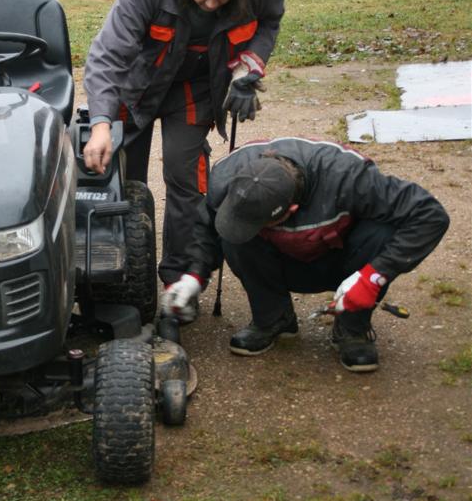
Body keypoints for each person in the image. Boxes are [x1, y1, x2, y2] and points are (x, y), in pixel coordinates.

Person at [83, 0, 285, 290]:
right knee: (124, 180)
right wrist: (100, 123)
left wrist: (248, 70)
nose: (210, 4)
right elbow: (109, 53)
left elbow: (270, 20)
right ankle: (125, 273)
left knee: (185, 177)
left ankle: (178, 282)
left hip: (197, 87)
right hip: (137, 86)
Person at [161, 137, 450, 372]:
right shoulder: (229, 175)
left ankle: (352, 328)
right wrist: (193, 275)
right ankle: (273, 318)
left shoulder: (348, 176)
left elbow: (430, 215)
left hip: (342, 262)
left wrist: (372, 277)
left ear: (291, 211)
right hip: (278, 262)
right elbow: (206, 224)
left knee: (381, 233)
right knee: (234, 234)